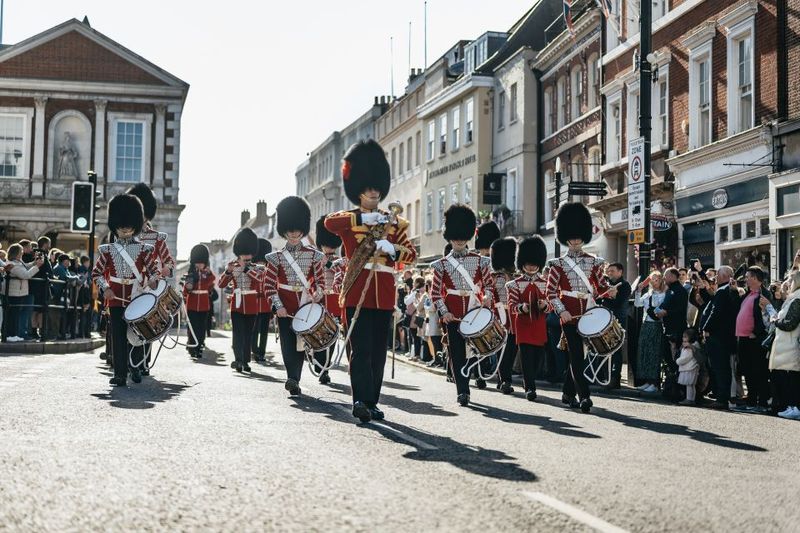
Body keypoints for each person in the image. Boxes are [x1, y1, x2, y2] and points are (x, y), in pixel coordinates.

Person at [325, 139, 416, 422]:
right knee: (360, 350)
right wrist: (365, 218)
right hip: (356, 293)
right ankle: (360, 400)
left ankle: (372, 401)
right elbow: (330, 223)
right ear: (359, 191)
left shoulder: (395, 224)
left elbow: (411, 255)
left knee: (377, 352)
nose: (373, 192)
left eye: (376, 188)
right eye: (367, 188)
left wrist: (392, 249)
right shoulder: (351, 218)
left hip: (384, 294)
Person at [546, 202, 615, 414]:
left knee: (580, 357)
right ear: (565, 236)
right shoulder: (557, 264)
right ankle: (584, 396)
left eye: (578, 236)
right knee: (576, 355)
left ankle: (568, 392)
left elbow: (600, 286)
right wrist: (561, 311)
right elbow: (550, 293)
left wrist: (609, 290)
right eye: (571, 236)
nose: (575, 240)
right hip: (568, 315)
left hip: (588, 314)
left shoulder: (594, 262)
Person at [92, 194, 160, 386]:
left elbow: (153, 270)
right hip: (114, 298)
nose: (125, 228)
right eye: (122, 224)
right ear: (115, 224)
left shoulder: (144, 249)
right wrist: (105, 288)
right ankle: (120, 374)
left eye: (129, 224)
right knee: (118, 337)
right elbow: (97, 274)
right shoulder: (107, 250)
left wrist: (154, 279)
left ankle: (135, 366)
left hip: (136, 297)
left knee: (137, 335)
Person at [431, 204, 493, 407]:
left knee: (474, 352)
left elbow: (489, 285)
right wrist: (445, 312)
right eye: (455, 237)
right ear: (450, 237)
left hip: (474, 314)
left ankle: (476, 378)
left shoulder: (481, 262)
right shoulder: (441, 264)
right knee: (457, 354)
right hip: (454, 316)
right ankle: (463, 391)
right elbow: (435, 293)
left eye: (462, 237)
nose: (459, 240)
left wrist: (488, 297)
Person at [264, 196, 326, 396]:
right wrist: (277, 305)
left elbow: (320, 281)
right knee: (288, 343)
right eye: (290, 229)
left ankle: (296, 377)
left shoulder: (314, 255)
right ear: (284, 230)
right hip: (285, 305)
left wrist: (318, 292)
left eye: (297, 229)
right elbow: (269, 285)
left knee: (302, 344)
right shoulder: (276, 258)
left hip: (305, 304)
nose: (293, 233)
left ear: (303, 228)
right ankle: (293, 378)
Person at [126, 183, 175, 376]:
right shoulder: (126, 236)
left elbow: (169, 263)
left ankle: (141, 363)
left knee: (146, 326)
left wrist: (161, 272)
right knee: (128, 326)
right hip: (129, 288)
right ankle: (128, 363)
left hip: (149, 287)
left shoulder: (157, 238)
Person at [507, 235, 549, 401]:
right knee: (526, 357)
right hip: (523, 324)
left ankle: (529, 381)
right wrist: (522, 308)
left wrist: (544, 305)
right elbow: (512, 305)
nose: (531, 267)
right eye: (528, 264)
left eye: (534, 264)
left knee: (537, 357)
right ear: (522, 264)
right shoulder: (514, 284)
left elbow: (551, 304)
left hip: (539, 324)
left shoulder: (545, 283)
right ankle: (530, 387)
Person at [217, 227, 261, 373]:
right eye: (244, 257)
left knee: (248, 334)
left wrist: (247, 268)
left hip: (251, 304)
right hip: (237, 304)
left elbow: (261, 280)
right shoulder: (233, 266)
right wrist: (228, 271)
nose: (247, 259)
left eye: (249, 257)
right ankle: (238, 359)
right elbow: (221, 284)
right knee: (238, 333)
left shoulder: (257, 268)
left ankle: (246, 361)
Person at [734, 266, 774, 412]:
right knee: (748, 372)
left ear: (756, 279)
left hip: (755, 340)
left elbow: (769, 315)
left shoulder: (764, 294)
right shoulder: (747, 294)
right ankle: (751, 402)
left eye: (748, 276)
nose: (745, 278)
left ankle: (762, 403)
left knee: (759, 372)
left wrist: (757, 333)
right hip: (743, 338)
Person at [700, 265, 741, 410]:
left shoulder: (723, 291)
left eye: (718, 274)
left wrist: (706, 328)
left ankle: (722, 398)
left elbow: (715, 313)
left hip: (718, 336)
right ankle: (722, 396)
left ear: (724, 276)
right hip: (725, 336)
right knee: (722, 367)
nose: (715, 276)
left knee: (720, 367)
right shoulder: (728, 291)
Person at [313, 215, 343, 384]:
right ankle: (319, 362)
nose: (329, 249)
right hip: (319, 300)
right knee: (318, 334)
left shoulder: (340, 260)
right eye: (325, 245)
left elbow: (342, 276)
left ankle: (325, 367)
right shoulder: (316, 259)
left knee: (332, 336)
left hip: (334, 301)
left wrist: (330, 264)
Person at [770, 270, 800, 420]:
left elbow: (790, 323)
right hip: (788, 343)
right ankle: (791, 406)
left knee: (792, 379)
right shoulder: (793, 297)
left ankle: (794, 407)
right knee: (790, 378)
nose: (787, 283)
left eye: (790, 280)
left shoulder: (797, 298)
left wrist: (775, 321)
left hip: (791, 343)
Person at [597, 262, 632, 389]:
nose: (609, 273)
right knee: (602, 348)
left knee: (616, 350)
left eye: (612, 271)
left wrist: (612, 295)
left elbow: (618, 303)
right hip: (604, 320)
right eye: (608, 271)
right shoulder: (607, 284)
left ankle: (615, 379)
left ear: (620, 272)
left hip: (618, 321)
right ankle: (602, 377)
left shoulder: (625, 285)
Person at [490, 237, 518, 394]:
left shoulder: (515, 276)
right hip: (500, 314)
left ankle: (504, 378)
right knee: (502, 348)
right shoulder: (494, 277)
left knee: (512, 348)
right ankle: (504, 379)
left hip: (513, 316)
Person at [634, 271, 667, 393]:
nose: (653, 282)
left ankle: (655, 382)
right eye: (652, 280)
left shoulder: (663, 294)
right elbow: (637, 304)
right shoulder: (648, 294)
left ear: (661, 280)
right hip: (646, 324)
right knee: (645, 352)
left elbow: (660, 310)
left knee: (654, 353)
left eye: (656, 279)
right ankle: (647, 381)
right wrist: (638, 291)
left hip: (656, 325)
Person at [3, 243, 43, 342]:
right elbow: (25, 275)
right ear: (16, 253)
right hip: (14, 293)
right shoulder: (12, 264)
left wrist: (34, 263)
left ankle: (13, 334)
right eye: (20, 252)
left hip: (18, 292)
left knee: (15, 314)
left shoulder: (18, 262)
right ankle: (10, 335)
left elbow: (25, 267)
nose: (22, 253)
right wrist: (37, 266)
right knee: (12, 315)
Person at [183, 244, 216, 359]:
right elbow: (186, 291)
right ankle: (192, 346)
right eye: (197, 262)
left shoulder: (207, 275)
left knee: (201, 328)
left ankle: (199, 346)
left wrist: (208, 273)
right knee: (192, 327)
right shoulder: (190, 274)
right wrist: (190, 282)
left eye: (201, 262)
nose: (199, 264)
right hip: (192, 304)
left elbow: (212, 282)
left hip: (203, 305)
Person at [656, 267, 689, 371]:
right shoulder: (669, 290)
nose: (664, 278)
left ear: (672, 276)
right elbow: (665, 305)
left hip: (676, 328)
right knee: (667, 355)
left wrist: (666, 312)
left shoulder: (680, 290)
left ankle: (676, 382)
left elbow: (681, 309)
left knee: (674, 356)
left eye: (666, 275)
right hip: (668, 327)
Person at [250, 238, 273, 364]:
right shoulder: (251, 270)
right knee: (254, 329)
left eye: (262, 261)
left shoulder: (269, 271)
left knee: (264, 331)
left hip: (265, 304)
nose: (260, 263)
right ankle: (254, 350)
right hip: (253, 303)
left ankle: (262, 353)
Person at [676, 329, 702, 405]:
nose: (683, 338)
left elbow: (686, 357)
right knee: (691, 385)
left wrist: (678, 361)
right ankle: (691, 399)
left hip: (690, 368)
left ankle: (689, 399)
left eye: (685, 337)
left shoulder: (690, 347)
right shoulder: (690, 346)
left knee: (690, 384)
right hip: (690, 367)